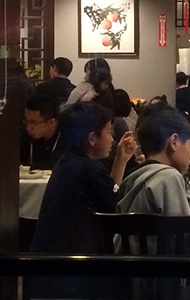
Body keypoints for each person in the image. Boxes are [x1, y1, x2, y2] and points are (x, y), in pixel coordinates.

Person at [117, 107, 190, 253]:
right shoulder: (168, 178)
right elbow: (186, 240)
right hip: (165, 266)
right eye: (189, 145)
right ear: (174, 142)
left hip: (129, 265)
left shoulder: (133, 178)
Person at [31, 101, 137, 260]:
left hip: (50, 258)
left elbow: (109, 196)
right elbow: (116, 209)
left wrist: (121, 159)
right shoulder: (88, 169)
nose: (112, 139)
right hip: (73, 263)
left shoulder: (66, 162)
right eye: (109, 132)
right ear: (92, 138)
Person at [21, 94, 63, 171]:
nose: (28, 128)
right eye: (26, 121)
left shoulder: (67, 139)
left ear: (51, 122)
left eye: (33, 122)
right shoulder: (25, 137)